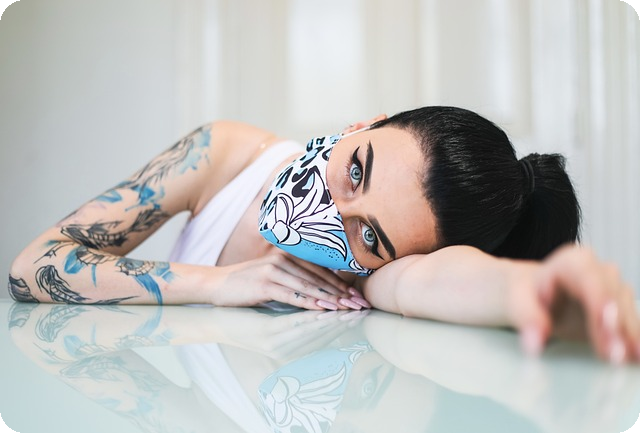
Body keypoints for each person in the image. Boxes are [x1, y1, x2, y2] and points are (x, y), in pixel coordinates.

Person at [8, 105, 640, 364]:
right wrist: (223, 284)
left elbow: (437, 279)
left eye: (369, 236)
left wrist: (526, 289)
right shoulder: (224, 155)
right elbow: (33, 265)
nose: (333, 209)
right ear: (366, 123)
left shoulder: (361, 278)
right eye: (357, 169)